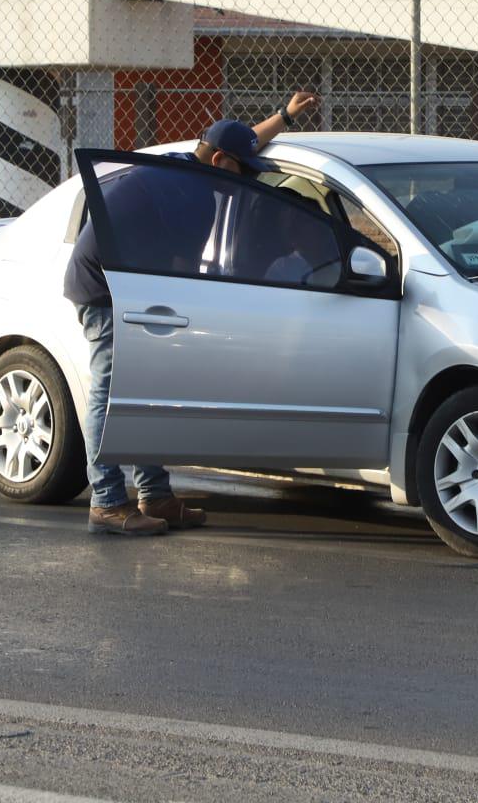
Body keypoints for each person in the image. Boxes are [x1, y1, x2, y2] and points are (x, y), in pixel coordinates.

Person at [64, 90, 320, 536]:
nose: (244, 185)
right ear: (221, 163)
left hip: (128, 281)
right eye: (242, 174)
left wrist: (284, 116)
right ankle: (105, 501)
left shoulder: (191, 164)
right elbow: (180, 278)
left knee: (146, 390)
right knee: (112, 392)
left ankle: (155, 495)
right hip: (105, 290)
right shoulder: (192, 198)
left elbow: (245, 142)